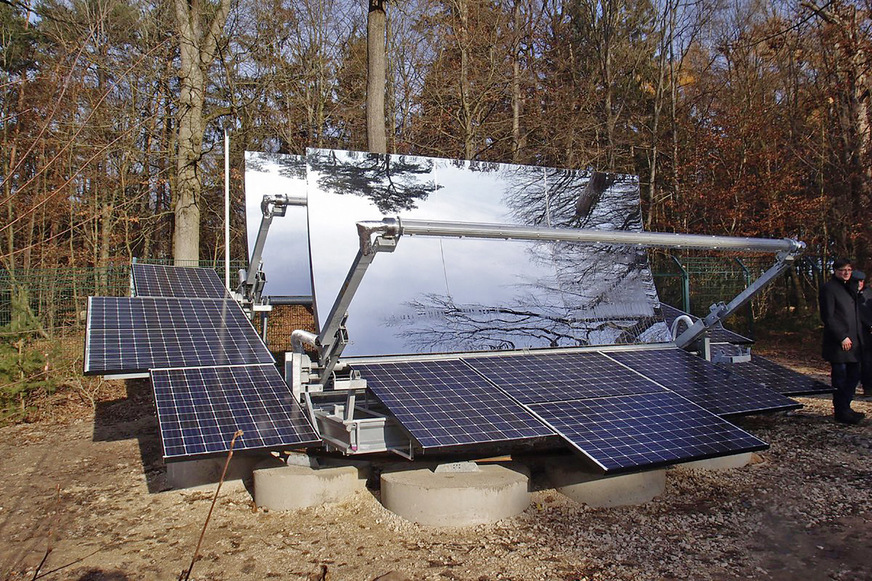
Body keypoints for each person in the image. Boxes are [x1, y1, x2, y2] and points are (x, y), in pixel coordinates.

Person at [819, 259, 866, 424]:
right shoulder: (829, 289)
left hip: (854, 344)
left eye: (848, 269)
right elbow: (828, 317)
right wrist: (841, 336)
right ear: (835, 271)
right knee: (840, 378)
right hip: (839, 344)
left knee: (853, 377)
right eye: (842, 270)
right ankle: (841, 412)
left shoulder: (850, 288)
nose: (846, 272)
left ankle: (846, 407)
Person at [854, 270, 872, 396]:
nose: (859, 283)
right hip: (852, 332)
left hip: (867, 334)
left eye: (861, 281)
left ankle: (868, 387)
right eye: (856, 281)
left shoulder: (869, 294)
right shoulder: (846, 293)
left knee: (867, 362)